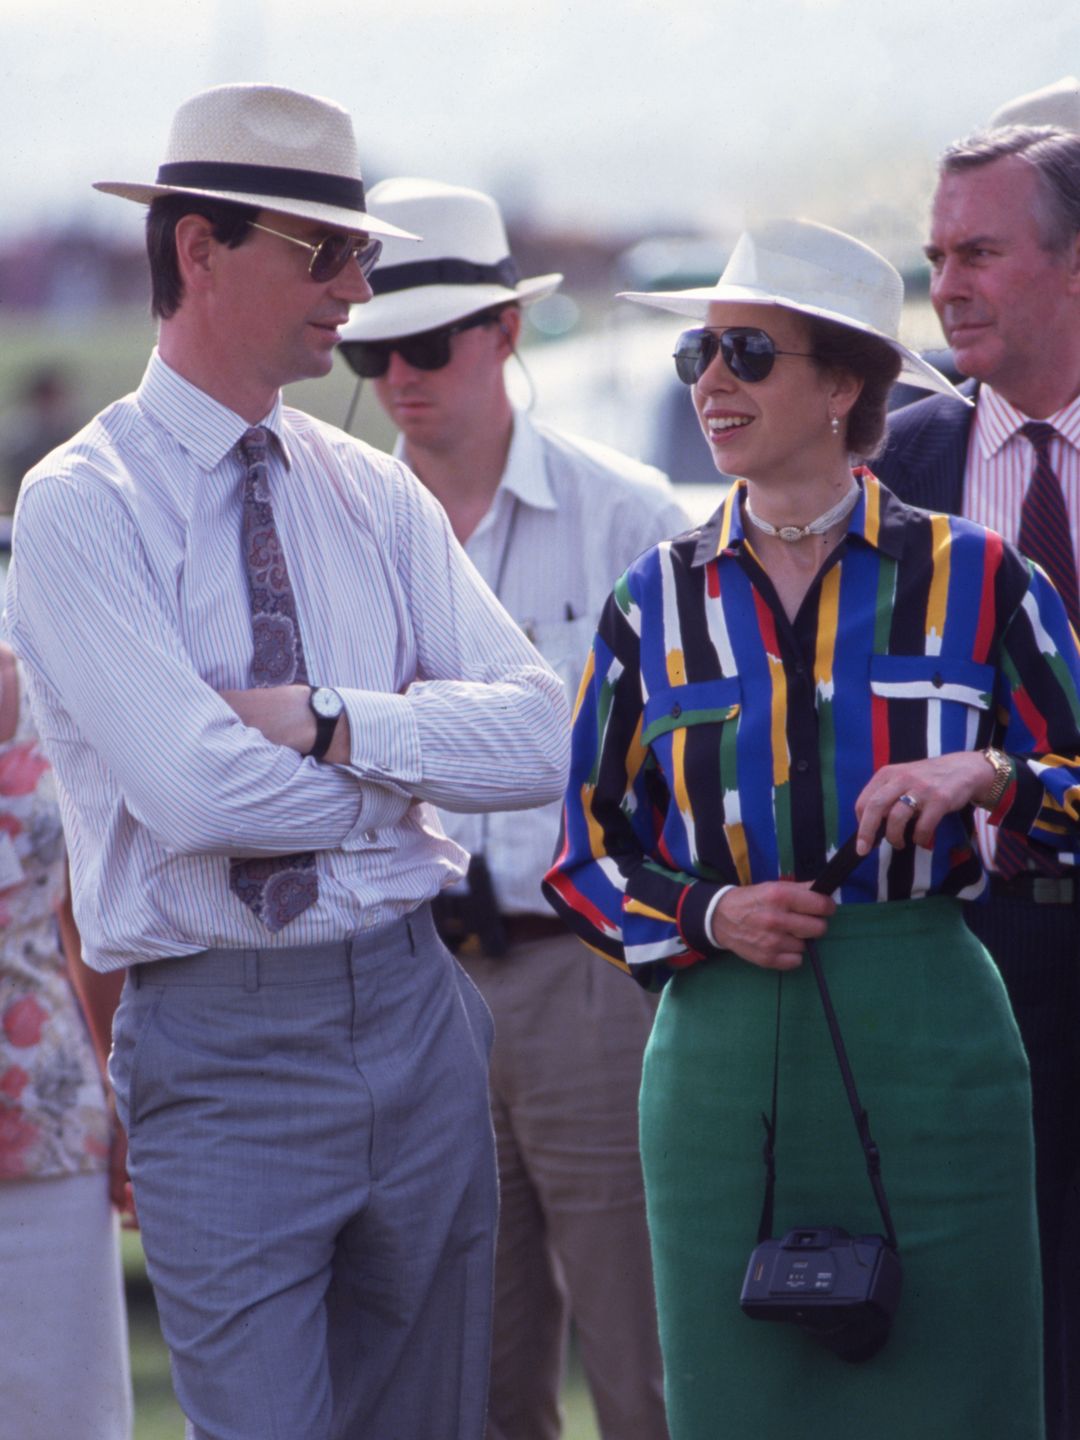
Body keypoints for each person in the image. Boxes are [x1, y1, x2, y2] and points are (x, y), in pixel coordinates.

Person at [6, 83, 570, 1440]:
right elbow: (192, 793)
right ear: (199, 250)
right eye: (326, 252)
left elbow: (546, 733)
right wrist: (417, 768)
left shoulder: (369, 489)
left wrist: (335, 720)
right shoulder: (83, 505)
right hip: (221, 1036)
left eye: (360, 249)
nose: (360, 288)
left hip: (415, 1012)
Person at [542, 216, 1080, 1439]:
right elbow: (581, 856)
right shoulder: (651, 601)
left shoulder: (984, 579)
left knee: (964, 1399)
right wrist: (708, 912)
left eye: (746, 352)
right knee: (741, 1408)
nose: (712, 384)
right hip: (720, 1061)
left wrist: (993, 774)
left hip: (938, 1040)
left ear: (844, 383)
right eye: (697, 356)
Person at [339, 177, 685, 1440]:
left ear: (505, 331)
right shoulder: (334, 530)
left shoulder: (632, 519)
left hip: (588, 971)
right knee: (467, 1382)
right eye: (374, 350)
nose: (399, 378)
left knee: (642, 1359)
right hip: (410, 984)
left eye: (427, 344)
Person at [874, 123, 1080, 1440]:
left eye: (982, 252)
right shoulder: (893, 472)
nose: (946, 284)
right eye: (937, 254)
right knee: (978, 1356)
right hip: (963, 968)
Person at [0, 639, 133, 1440]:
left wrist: (126, 1099)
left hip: (48, 1116)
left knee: (67, 1419)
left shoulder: (46, 684)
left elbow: (91, 917)